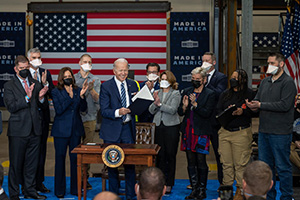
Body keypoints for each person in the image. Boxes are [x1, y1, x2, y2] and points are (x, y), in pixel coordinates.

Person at [246, 52, 297, 200]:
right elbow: (258, 100)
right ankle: (269, 196)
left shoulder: (288, 82)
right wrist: (253, 105)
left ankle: (286, 197)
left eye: (272, 63)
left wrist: (261, 104)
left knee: (282, 168)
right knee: (265, 169)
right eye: (268, 63)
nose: (269, 66)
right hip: (264, 132)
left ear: (281, 64)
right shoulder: (265, 82)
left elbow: (284, 105)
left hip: (280, 132)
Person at [3, 55, 48, 200]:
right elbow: (11, 107)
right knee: (16, 165)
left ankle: (30, 190)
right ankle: (14, 193)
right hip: (18, 131)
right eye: (21, 68)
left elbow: (42, 106)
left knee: (31, 164)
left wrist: (40, 97)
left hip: (35, 130)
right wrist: (27, 98)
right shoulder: (9, 86)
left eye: (26, 68)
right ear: (16, 69)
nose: (24, 70)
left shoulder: (35, 83)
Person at [99, 58, 139, 200]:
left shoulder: (133, 85)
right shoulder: (106, 86)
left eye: (126, 70)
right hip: (111, 132)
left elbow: (138, 105)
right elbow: (104, 111)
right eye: (121, 70)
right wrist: (118, 112)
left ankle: (130, 196)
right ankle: (113, 196)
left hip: (128, 129)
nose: (123, 73)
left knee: (130, 165)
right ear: (114, 71)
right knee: (112, 166)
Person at [216, 69, 255, 200]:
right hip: (225, 132)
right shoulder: (225, 94)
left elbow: (255, 112)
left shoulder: (249, 93)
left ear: (243, 79)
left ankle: (240, 192)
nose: (233, 79)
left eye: (236, 77)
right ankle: (226, 193)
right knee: (226, 164)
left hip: (241, 132)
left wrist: (242, 112)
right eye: (232, 77)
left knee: (240, 165)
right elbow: (218, 110)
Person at [178, 67, 216, 200]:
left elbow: (207, 113)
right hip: (188, 130)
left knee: (201, 160)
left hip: (201, 132)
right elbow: (181, 112)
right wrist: (184, 106)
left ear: (204, 80)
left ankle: (202, 189)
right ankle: (194, 189)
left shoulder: (210, 94)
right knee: (190, 160)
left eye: (197, 79)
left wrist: (195, 104)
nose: (194, 81)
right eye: (193, 79)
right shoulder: (187, 91)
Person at [51, 67, 88, 198]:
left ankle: (75, 188)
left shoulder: (78, 90)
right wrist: (70, 97)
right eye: (65, 76)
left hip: (75, 130)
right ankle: (59, 190)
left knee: (75, 161)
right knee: (60, 159)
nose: (68, 78)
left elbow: (83, 109)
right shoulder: (56, 92)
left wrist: (82, 96)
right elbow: (59, 110)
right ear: (61, 78)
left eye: (70, 76)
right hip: (60, 131)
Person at [148, 70, 181, 194]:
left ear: (171, 81)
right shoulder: (157, 92)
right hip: (158, 127)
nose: (163, 81)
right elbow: (151, 110)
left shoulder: (176, 93)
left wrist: (159, 104)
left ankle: (169, 183)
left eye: (166, 79)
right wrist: (156, 104)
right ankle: (160, 182)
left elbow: (172, 110)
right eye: (162, 79)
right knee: (160, 156)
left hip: (171, 127)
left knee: (170, 155)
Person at [27, 47, 54, 193]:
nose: (37, 59)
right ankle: (28, 183)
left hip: (43, 119)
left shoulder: (45, 73)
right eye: (34, 57)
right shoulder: (24, 73)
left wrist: (45, 84)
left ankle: (39, 182)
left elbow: (51, 93)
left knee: (42, 152)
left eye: (39, 57)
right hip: (28, 120)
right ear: (29, 59)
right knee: (29, 153)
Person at [74, 54, 101, 189]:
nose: (87, 64)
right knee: (76, 149)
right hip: (75, 118)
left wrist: (91, 89)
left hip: (90, 118)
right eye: (85, 62)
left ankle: (85, 178)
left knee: (88, 149)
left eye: (89, 62)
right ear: (79, 63)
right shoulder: (73, 79)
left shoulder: (95, 80)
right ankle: (76, 177)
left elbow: (98, 100)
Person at [202, 52, 227, 185]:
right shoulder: (198, 75)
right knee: (200, 155)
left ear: (214, 62)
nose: (205, 63)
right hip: (202, 120)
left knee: (219, 154)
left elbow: (220, 93)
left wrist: (206, 83)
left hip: (215, 122)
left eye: (207, 60)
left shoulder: (221, 77)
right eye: (203, 60)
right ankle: (200, 183)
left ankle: (222, 183)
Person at [291, 94, 300, 169]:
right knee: (288, 149)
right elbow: (288, 129)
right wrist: (295, 141)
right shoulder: (291, 114)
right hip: (293, 140)